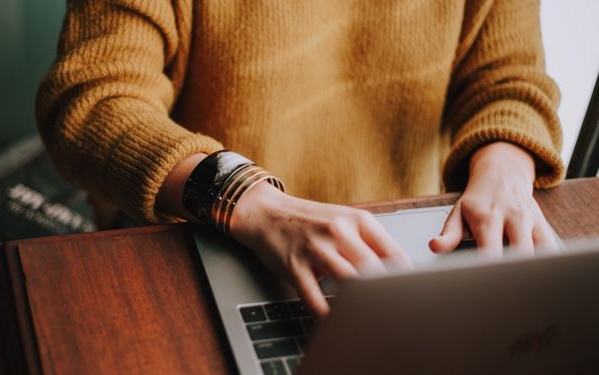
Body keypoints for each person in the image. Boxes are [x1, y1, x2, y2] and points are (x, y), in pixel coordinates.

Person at [36, 0, 564, 317]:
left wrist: (506, 166)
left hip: (404, 249)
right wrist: (243, 197)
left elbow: (509, 81)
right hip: (202, 232)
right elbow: (92, 99)